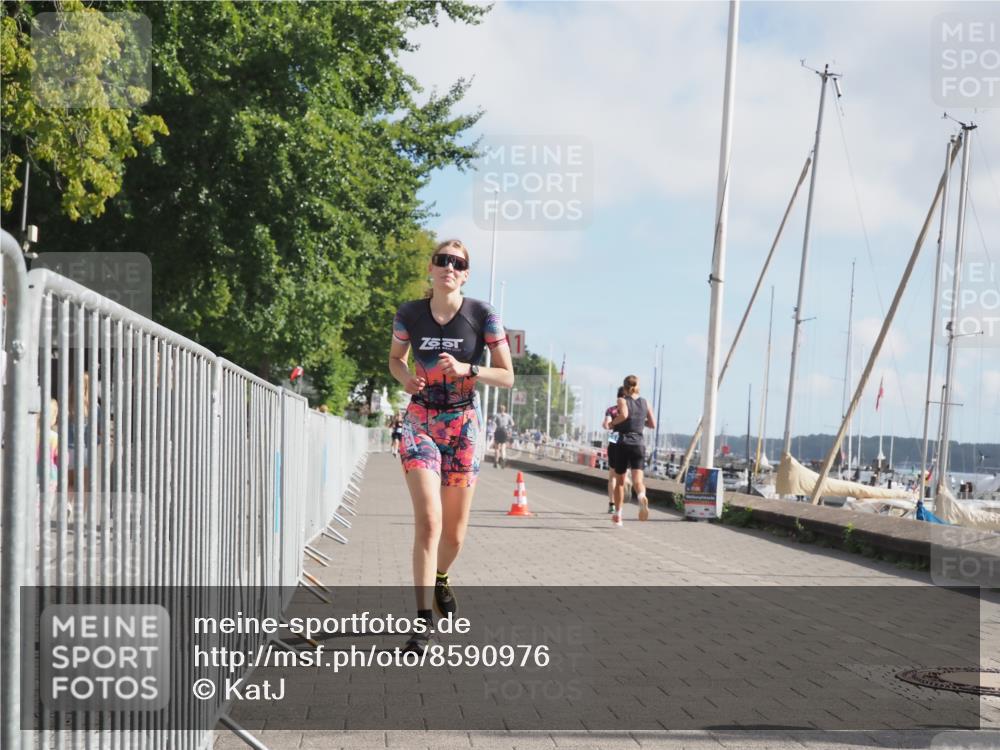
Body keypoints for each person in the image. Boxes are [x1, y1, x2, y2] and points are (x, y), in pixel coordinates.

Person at [388, 238, 514, 654]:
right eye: (443, 260)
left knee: (455, 535)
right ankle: (422, 623)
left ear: (466, 273)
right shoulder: (410, 314)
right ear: (431, 267)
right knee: (429, 521)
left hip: (463, 424)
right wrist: (405, 378)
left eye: (457, 263)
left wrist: (468, 368)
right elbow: (395, 358)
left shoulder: (483, 316)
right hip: (421, 420)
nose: (449, 268)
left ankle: (442, 576)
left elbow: (507, 376)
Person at [609, 375, 655, 526]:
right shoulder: (645, 402)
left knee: (620, 482)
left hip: (623, 443)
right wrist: (640, 421)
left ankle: (618, 516)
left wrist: (612, 423)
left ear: (624, 387)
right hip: (639, 444)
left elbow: (624, 415)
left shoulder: (622, 400)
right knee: (638, 481)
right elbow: (652, 424)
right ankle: (641, 496)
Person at [601, 387, 626, 514]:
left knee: (612, 476)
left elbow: (606, 424)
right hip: (629, 439)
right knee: (624, 472)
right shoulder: (631, 409)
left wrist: (608, 424)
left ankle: (611, 504)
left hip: (614, 437)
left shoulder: (611, 410)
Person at [493, 403, 514, 469]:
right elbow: (513, 424)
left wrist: (495, 427)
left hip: (498, 431)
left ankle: (496, 462)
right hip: (504, 432)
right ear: (505, 409)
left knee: (497, 448)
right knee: (503, 448)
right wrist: (507, 427)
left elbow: (493, 423)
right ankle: (503, 461)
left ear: (499, 409)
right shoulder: (508, 416)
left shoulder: (496, 415)